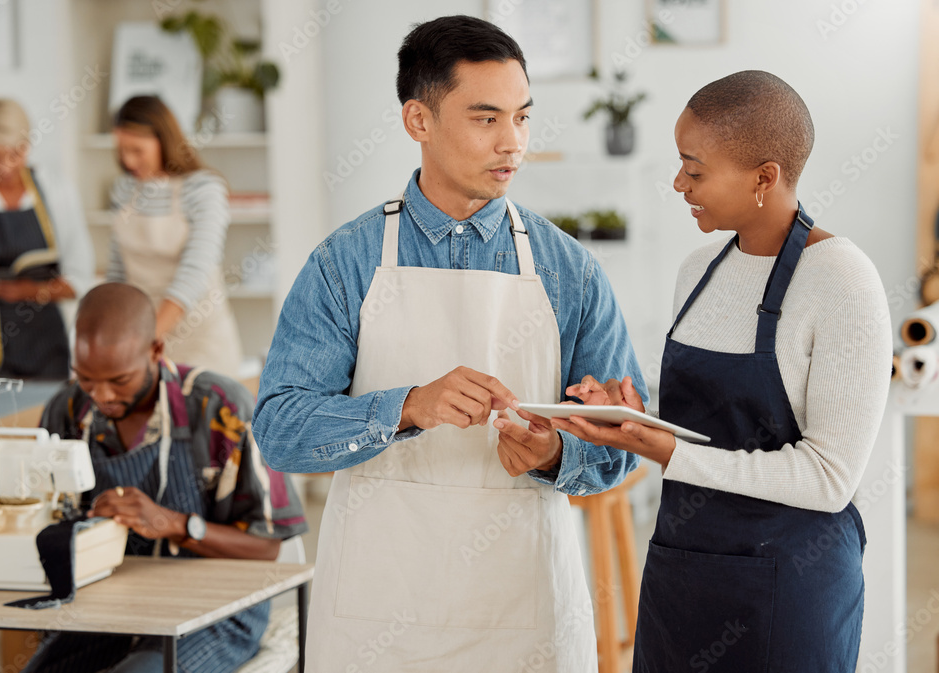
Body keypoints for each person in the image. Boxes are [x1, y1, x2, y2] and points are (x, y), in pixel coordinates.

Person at [253, 15, 645, 671]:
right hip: (378, 613)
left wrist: (555, 453)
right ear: (419, 121)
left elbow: (622, 439)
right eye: (486, 119)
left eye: (522, 117)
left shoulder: (567, 269)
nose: (512, 142)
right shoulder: (343, 263)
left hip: (525, 611)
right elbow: (279, 428)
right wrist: (405, 406)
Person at [553, 71, 891, 672]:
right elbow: (712, 432)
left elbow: (830, 478)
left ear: (765, 177)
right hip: (682, 575)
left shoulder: (841, 279)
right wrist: (631, 417)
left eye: (695, 169)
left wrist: (668, 453)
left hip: (790, 590)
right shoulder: (698, 269)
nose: (679, 183)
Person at [25, 282, 307, 673]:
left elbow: (267, 547)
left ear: (156, 350)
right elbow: (46, 516)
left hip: (217, 609)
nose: (101, 395)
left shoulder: (219, 409)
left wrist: (173, 524)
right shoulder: (68, 409)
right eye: (86, 378)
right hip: (108, 605)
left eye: (119, 380)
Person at [0, 98, 93, 378]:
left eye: (17, 153)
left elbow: (80, 280)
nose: (6, 166)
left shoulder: (58, 191)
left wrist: (30, 292)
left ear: (28, 145)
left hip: (44, 353)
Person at [107, 95, 242, 378]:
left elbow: (195, 272)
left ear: (163, 140)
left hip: (199, 339)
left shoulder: (203, 189)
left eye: (137, 150)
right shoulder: (123, 191)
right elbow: (118, 274)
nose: (129, 160)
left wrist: (146, 338)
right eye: (122, 150)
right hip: (142, 333)